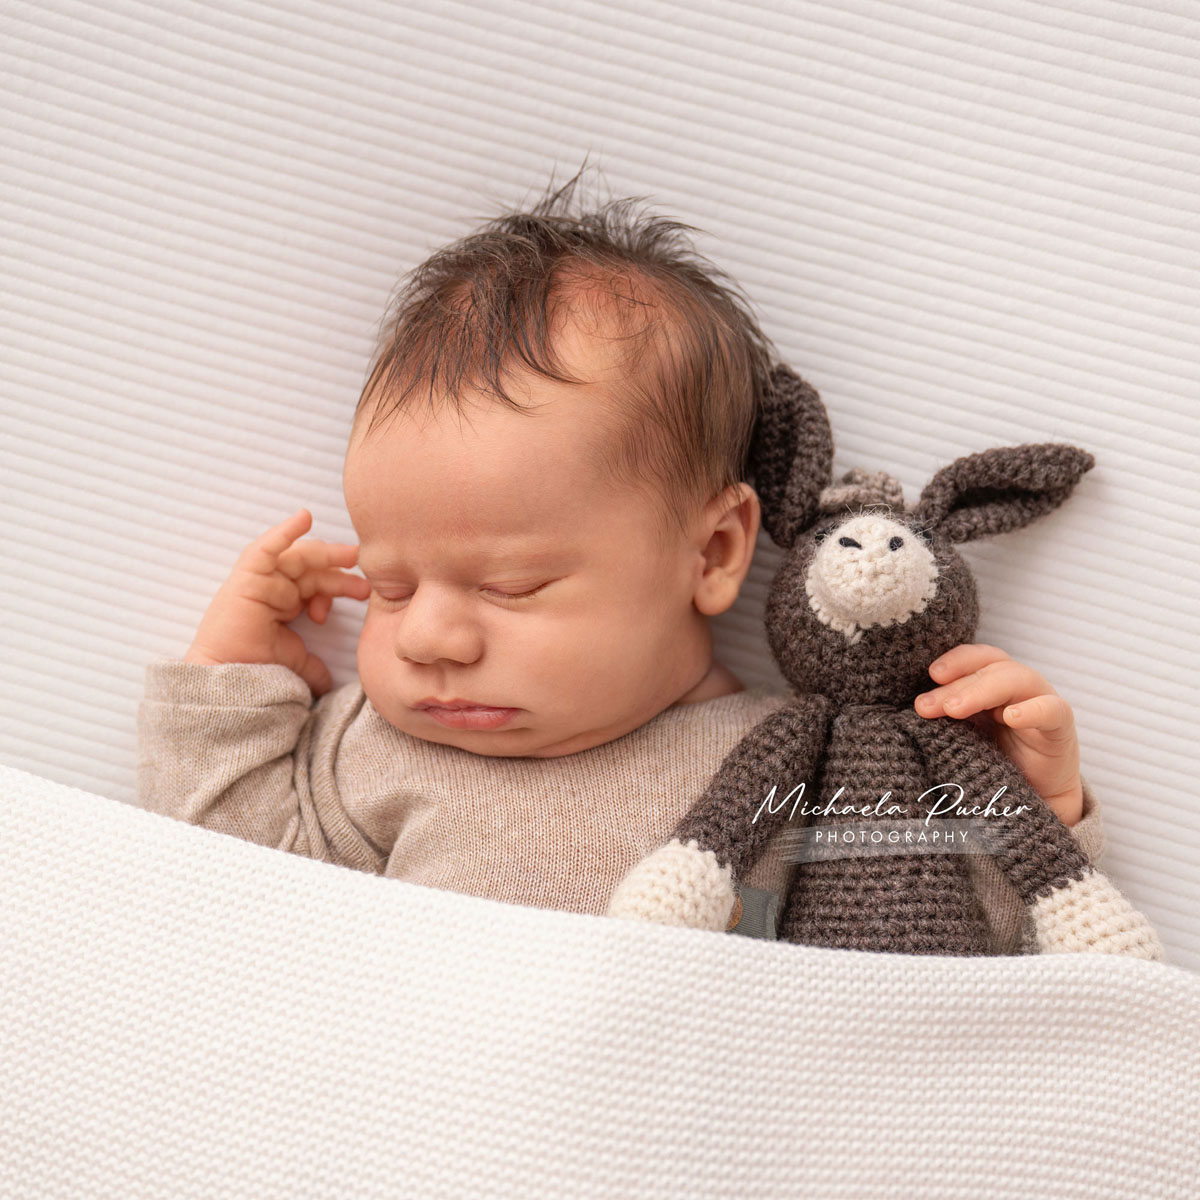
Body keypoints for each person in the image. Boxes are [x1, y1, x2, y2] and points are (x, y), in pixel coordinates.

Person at [137, 168, 1103, 951]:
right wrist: (231, 680)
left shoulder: (801, 762)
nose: (427, 635)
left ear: (715, 551)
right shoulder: (375, 750)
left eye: (511, 586)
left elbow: (946, 945)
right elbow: (228, 898)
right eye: (389, 586)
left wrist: (1034, 800)